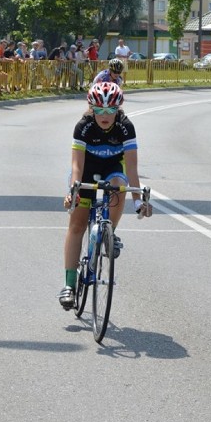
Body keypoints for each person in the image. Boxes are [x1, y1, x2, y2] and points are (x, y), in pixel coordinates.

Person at [58, 82, 152, 309]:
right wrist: (74, 191)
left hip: (113, 169)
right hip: (87, 170)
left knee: (119, 185)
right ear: (91, 108)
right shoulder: (84, 126)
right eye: (99, 110)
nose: (105, 115)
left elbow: (131, 168)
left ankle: (110, 232)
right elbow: (77, 166)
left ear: (118, 109)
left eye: (111, 110)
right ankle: (69, 285)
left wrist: (139, 201)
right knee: (77, 226)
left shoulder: (126, 127)